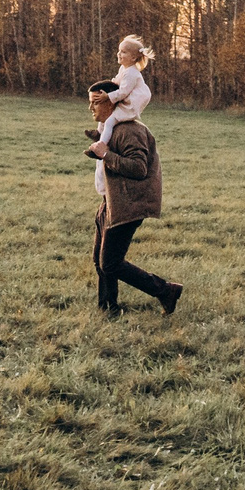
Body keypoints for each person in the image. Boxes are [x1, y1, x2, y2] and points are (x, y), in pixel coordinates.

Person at [86, 80, 182, 316]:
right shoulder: (110, 128)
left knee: (110, 262)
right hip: (110, 202)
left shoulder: (130, 130)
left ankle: (166, 290)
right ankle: (108, 308)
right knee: (100, 261)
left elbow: (138, 168)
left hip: (128, 205)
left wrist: (105, 154)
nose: (90, 109)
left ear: (112, 101)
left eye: (95, 103)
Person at [84, 36, 154, 140]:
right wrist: (107, 87)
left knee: (109, 122)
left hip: (130, 105)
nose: (118, 54)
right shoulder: (124, 68)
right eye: (119, 51)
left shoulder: (132, 73)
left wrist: (108, 96)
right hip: (126, 100)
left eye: (123, 52)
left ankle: (101, 144)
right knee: (104, 116)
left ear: (133, 58)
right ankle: (99, 133)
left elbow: (123, 92)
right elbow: (116, 81)